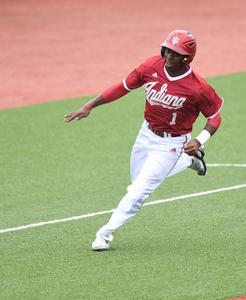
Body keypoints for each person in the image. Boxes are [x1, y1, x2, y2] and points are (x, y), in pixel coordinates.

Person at [64, 30, 223, 251]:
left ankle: (105, 234)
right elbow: (123, 87)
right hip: (146, 134)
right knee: (136, 179)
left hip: (172, 143)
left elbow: (215, 116)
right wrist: (90, 105)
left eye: (175, 53)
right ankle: (188, 161)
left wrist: (200, 139)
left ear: (186, 58)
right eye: (167, 49)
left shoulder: (198, 88)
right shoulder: (151, 67)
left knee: (138, 192)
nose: (168, 55)